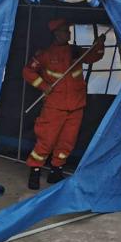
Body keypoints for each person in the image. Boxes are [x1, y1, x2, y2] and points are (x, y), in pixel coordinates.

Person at [22, 18, 105, 190]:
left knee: (67, 142)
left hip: (76, 105)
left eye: (68, 31)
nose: (68, 34)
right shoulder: (44, 54)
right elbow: (28, 71)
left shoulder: (75, 51)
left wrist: (99, 45)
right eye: (64, 31)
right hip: (54, 105)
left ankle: (56, 171)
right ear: (56, 34)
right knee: (46, 140)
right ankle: (35, 171)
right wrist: (43, 86)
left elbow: (93, 57)